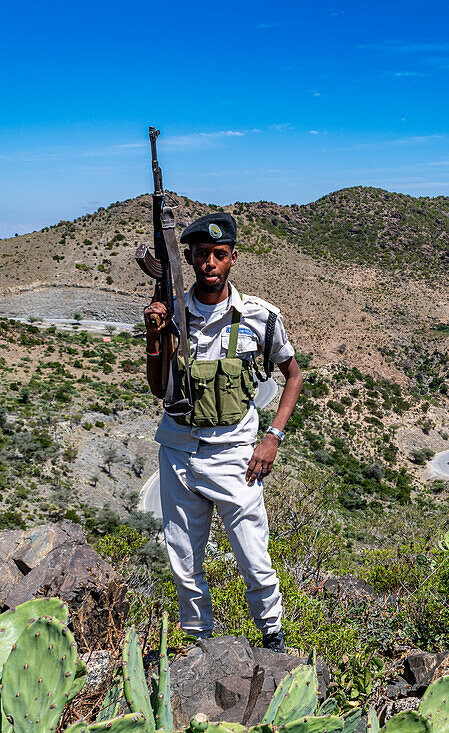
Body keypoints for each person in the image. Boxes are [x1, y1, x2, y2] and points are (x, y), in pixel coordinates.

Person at [143, 212, 303, 652]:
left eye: (219, 254)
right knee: (184, 556)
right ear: (191, 259)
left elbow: (294, 375)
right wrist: (155, 338)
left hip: (234, 451)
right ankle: (198, 642)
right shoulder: (173, 315)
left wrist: (272, 437)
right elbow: (159, 387)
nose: (209, 263)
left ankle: (272, 635)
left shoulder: (260, 317)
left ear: (233, 258)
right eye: (201, 255)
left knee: (252, 552)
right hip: (178, 449)